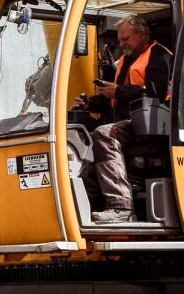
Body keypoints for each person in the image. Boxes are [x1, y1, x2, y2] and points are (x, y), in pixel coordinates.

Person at [74, 15, 172, 224]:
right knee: (88, 141)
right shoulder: (126, 61)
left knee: (104, 134)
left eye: (125, 39)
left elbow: (157, 92)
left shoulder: (158, 55)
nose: (121, 44)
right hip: (130, 124)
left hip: (152, 126)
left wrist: (119, 91)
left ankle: (121, 207)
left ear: (141, 33)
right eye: (120, 40)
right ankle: (87, 207)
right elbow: (116, 99)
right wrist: (90, 104)